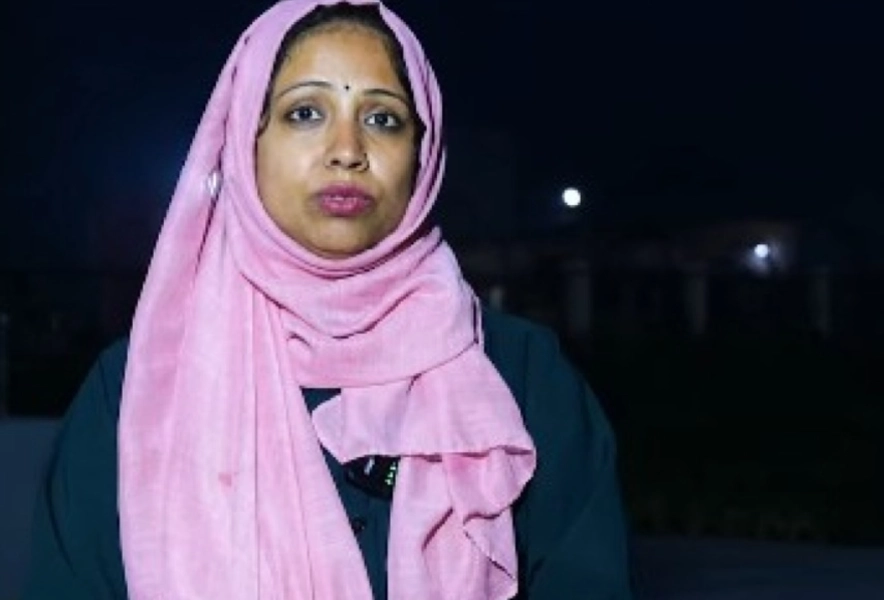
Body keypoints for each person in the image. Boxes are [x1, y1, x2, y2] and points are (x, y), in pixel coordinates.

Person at [23, 1, 632, 598]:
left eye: (384, 119)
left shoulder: (519, 377)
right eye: (306, 112)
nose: (347, 149)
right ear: (244, 141)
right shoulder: (139, 390)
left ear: (423, 155)